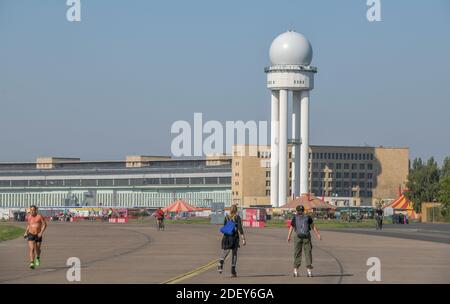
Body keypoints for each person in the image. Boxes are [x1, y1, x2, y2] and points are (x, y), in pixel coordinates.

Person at [287, 205, 321, 278]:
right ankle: (309, 271)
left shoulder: (294, 218)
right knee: (308, 252)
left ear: (297, 211)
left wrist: (288, 236)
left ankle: (295, 271)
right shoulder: (308, 217)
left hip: (297, 237)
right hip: (306, 237)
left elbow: (291, 227)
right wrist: (318, 234)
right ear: (303, 210)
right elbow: (313, 226)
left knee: (297, 253)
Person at [218, 204, 246, 278]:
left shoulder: (226, 217)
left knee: (225, 251)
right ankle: (233, 271)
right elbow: (240, 228)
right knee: (234, 253)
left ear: (230, 210)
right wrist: (243, 239)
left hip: (226, 237)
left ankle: (221, 262)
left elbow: (224, 227)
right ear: (236, 210)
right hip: (234, 238)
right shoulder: (237, 217)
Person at [23, 205, 47, 269]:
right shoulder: (29, 217)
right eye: (31, 210)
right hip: (31, 234)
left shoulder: (39, 216)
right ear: (30, 210)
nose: (32, 211)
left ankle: (38, 257)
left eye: (34, 210)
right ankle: (32, 263)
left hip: (38, 234)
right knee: (32, 249)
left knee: (37, 249)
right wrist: (26, 232)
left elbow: (45, 224)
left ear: (36, 210)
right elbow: (29, 225)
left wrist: (41, 232)